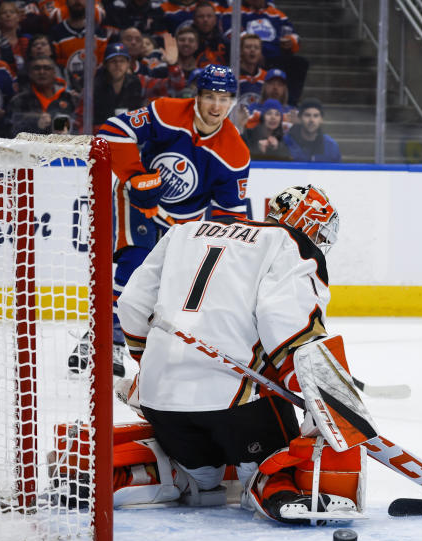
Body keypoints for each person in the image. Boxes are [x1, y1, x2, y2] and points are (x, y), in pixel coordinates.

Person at [116, 185, 364, 523]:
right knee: (268, 461)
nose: (320, 240)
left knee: (204, 480)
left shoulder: (183, 231)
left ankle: (156, 475)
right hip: (236, 408)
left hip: (160, 401)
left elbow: (131, 303)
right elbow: (289, 328)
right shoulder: (291, 244)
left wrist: (151, 366)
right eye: (319, 231)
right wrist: (324, 400)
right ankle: (272, 484)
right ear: (305, 220)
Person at [83, 64, 249, 377]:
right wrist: (136, 175)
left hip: (183, 224)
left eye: (224, 98)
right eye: (210, 96)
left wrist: (220, 251)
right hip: (139, 201)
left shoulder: (235, 154)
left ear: (232, 102)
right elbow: (112, 131)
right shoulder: (167, 112)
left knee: (165, 287)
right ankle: (107, 339)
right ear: (196, 96)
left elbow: (230, 217)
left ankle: (121, 338)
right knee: (135, 262)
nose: (217, 105)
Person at [7, 55, 77, 135]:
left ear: (54, 72)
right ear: (30, 73)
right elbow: (11, 131)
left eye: (47, 68)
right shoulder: (19, 100)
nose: (42, 72)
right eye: (37, 68)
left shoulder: (68, 98)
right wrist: (36, 124)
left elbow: (80, 126)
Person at [91, 42, 145, 130]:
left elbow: (165, 86)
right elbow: (81, 120)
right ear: (105, 64)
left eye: (122, 61)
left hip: (132, 138)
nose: (118, 65)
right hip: (102, 138)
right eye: (113, 61)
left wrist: (172, 65)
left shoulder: (140, 82)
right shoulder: (93, 86)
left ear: (128, 64)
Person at [283, 98, 342, 163]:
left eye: (316, 116)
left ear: (321, 119)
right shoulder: (286, 143)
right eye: (307, 115)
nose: (311, 120)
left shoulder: (331, 146)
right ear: (300, 118)